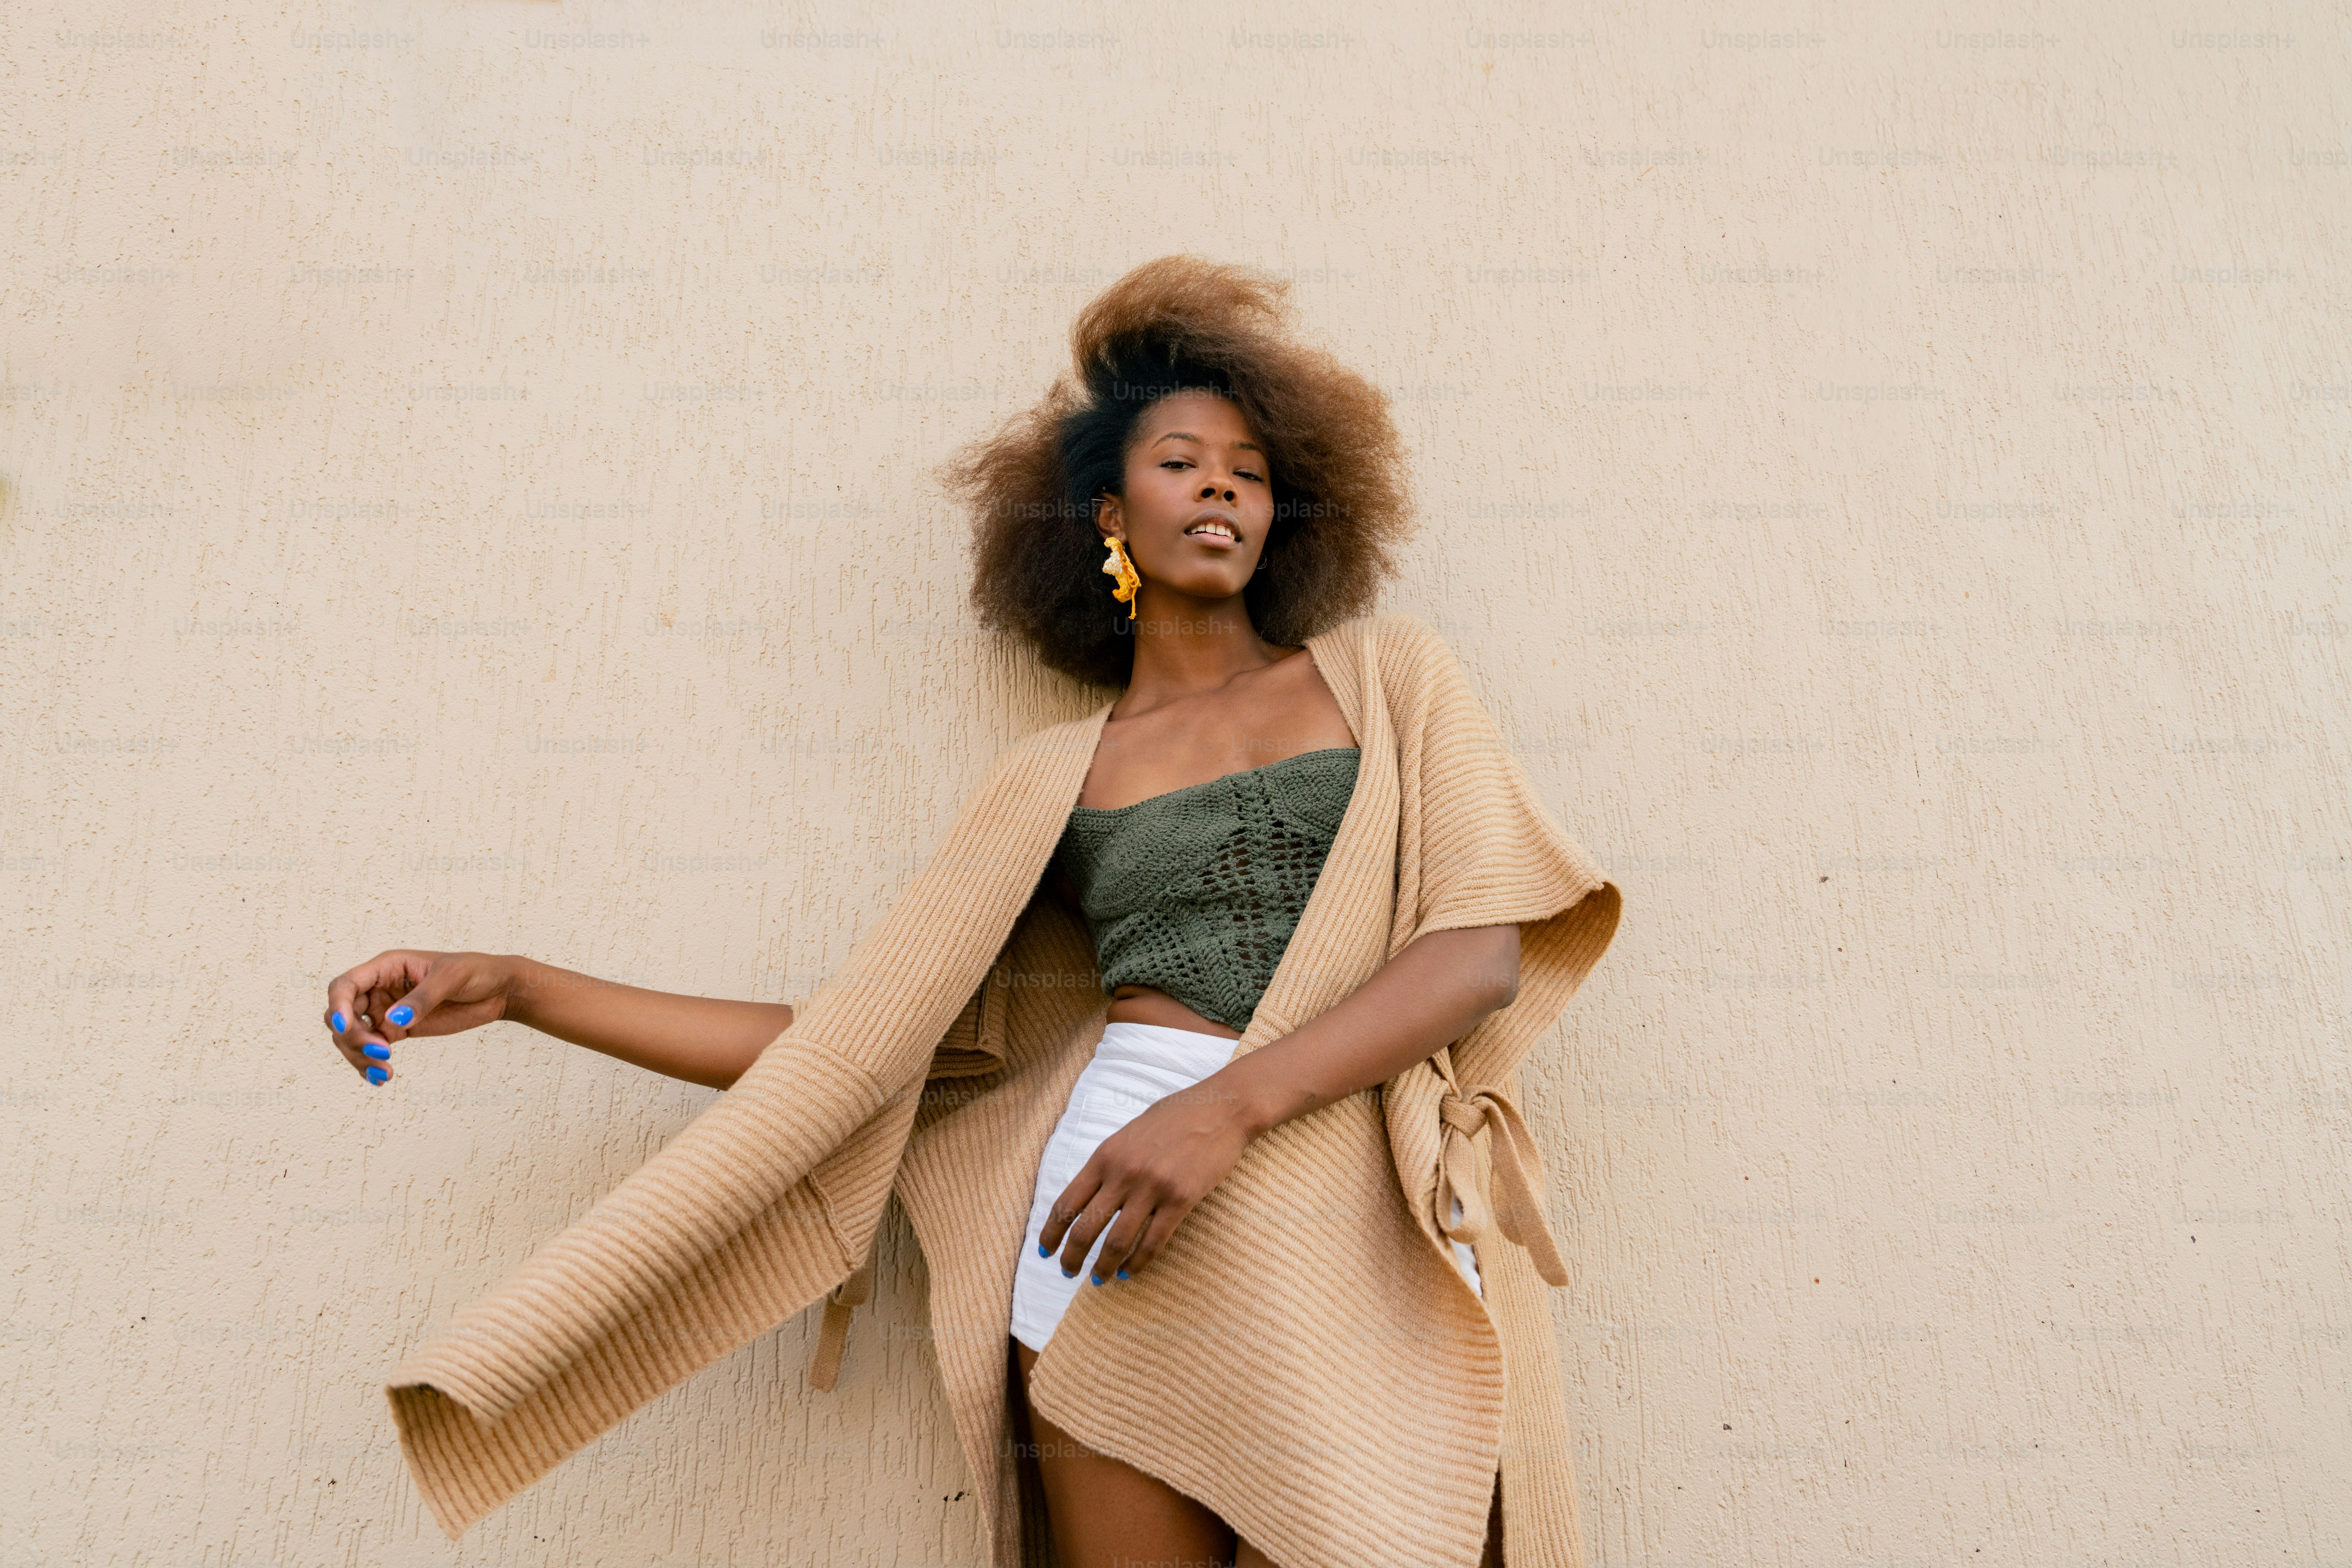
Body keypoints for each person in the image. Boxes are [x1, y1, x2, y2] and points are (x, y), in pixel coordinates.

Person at [330, 256, 1618, 1568]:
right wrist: (525, 987)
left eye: (1250, 470)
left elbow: (1475, 955)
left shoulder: (1393, 680)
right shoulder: (1050, 777)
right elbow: (853, 1048)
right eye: (1181, 463)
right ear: (1109, 513)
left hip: (1347, 1200)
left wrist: (1224, 1108)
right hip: (1110, 1210)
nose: (1222, 486)